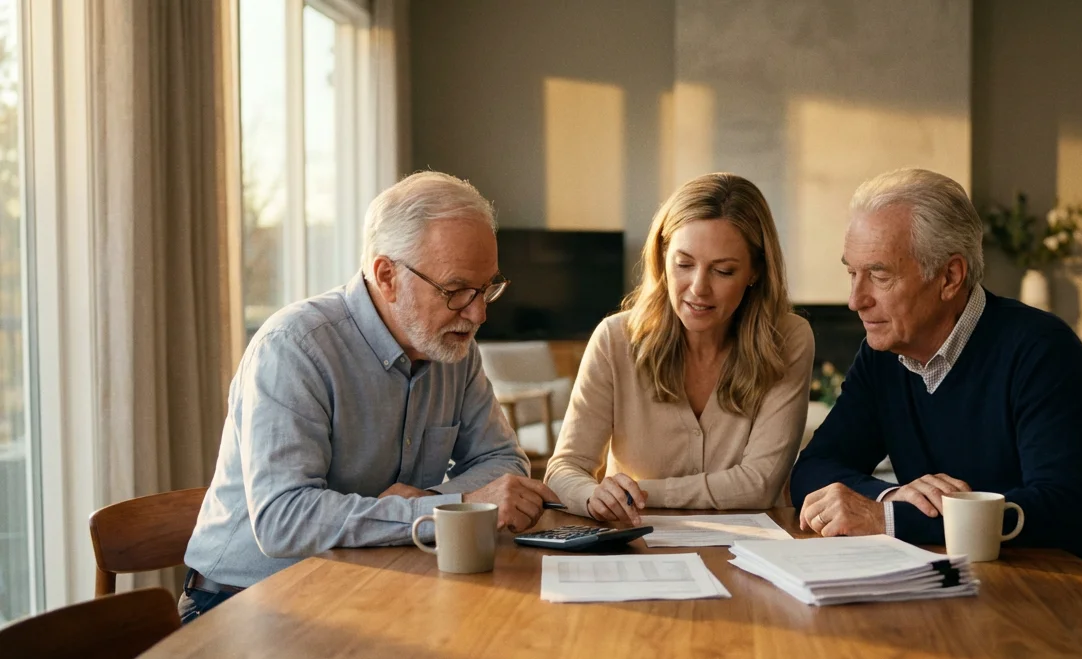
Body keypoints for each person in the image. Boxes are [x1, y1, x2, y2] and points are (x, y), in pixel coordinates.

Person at [181, 171, 559, 622]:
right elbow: (283, 519)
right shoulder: (294, 347)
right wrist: (443, 509)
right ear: (387, 275)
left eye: (486, 289)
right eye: (456, 291)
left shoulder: (454, 348)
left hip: (373, 585)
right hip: (246, 603)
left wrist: (423, 501)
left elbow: (504, 462)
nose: (477, 314)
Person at [789, 168, 1082, 597]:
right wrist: (890, 497)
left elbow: (1062, 510)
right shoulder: (882, 355)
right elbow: (813, 469)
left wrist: (886, 518)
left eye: (880, 275)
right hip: (967, 586)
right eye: (852, 273)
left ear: (949, 277)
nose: (856, 300)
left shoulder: (1043, 349)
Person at [545, 173, 813, 523]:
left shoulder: (788, 338)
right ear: (662, 258)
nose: (698, 288)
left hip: (751, 554)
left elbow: (760, 484)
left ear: (755, 272)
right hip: (637, 547)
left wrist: (638, 492)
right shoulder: (614, 339)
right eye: (684, 264)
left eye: (723, 271)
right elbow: (565, 468)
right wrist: (593, 495)